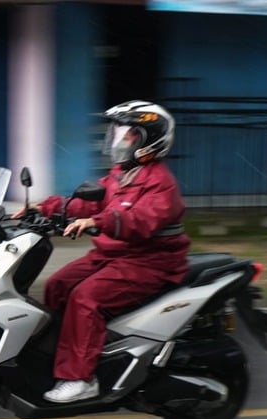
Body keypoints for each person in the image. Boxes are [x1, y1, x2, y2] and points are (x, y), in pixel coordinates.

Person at [13, 100, 190, 403]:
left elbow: (139, 221)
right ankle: (58, 359)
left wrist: (97, 221)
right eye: (119, 133)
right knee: (57, 286)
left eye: (130, 135)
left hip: (149, 262)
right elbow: (93, 200)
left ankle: (82, 378)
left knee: (86, 298)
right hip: (114, 256)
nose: (119, 140)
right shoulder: (123, 173)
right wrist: (45, 207)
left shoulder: (161, 184)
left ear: (150, 141)